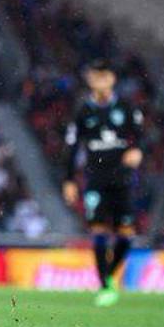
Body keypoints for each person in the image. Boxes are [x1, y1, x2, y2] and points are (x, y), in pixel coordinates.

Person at [62, 59, 144, 307]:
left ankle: (107, 273)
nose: (100, 80)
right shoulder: (82, 111)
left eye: (104, 75)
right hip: (95, 179)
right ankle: (105, 284)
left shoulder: (127, 108)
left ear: (112, 79)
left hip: (122, 179)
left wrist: (137, 150)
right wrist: (68, 180)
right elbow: (71, 147)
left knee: (126, 235)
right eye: (95, 76)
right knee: (98, 231)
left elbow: (140, 139)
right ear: (90, 80)